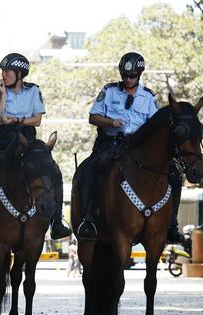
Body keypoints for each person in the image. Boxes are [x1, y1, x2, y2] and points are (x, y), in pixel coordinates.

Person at [0, 52, 71, 240]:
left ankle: (57, 221)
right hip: (0, 138)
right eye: (2, 70)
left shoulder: (34, 90)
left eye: (8, 70)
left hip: (25, 137)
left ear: (20, 73)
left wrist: (16, 119)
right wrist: (3, 96)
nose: (3, 74)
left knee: (54, 171)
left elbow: (37, 120)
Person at [76, 52, 184, 242]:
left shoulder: (148, 96)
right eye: (124, 75)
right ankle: (88, 219)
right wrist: (110, 122)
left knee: (174, 173)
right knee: (89, 170)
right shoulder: (109, 91)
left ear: (139, 74)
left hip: (139, 147)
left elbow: (157, 125)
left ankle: (172, 224)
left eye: (132, 76)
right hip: (111, 143)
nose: (127, 79)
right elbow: (93, 117)